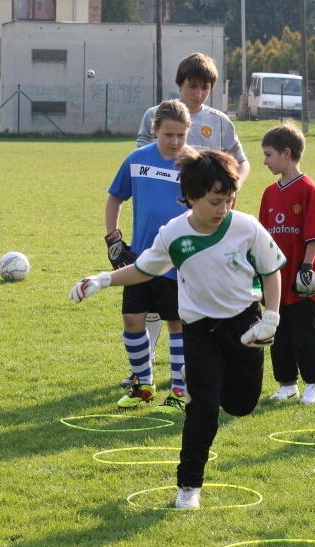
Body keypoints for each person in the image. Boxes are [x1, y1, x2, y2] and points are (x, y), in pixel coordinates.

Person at [70, 149, 285, 509]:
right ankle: (189, 486)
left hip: (246, 324)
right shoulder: (174, 233)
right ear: (190, 197)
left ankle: (205, 378)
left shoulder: (246, 226)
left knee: (242, 405)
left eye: (229, 201)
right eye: (216, 202)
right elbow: (146, 268)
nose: (223, 210)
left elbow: (271, 270)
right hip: (199, 330)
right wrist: (104, 279)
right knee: (203, 409)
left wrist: (272, 318)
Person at [124, 52, 252, 391]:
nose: (197, 94)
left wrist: (232, 189)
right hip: (157, 227)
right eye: (192, 86)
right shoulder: (155, 116)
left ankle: (193, 371)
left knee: (195, 300)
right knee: (149, 300)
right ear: (179, 84)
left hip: (205, 227)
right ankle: (144, 369)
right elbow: (142, 164)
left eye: (205, 88)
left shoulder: (220, 122)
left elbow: (241, 162)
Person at [103, 99, 191, 413]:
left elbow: (217, 202)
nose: (175, 141)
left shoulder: (192, 164)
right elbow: (115, 198)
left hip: (177, 260)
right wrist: (113, 237)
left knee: (176, 322)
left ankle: (180, 390)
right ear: (155, 130)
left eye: (181, 135)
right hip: (140, 259)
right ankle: (144, 385)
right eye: (169, 134)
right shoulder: (137, 160)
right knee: (132, 319)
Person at [258, 124, 315, 405]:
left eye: (268, 154)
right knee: (279, 330)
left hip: (301, 277)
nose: (264, 161)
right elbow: (262, 238)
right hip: (275, 277)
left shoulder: (308, 189)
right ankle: (287, 384)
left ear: (286, 153)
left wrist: (306, 268)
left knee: (304, 331)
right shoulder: (269, 193)